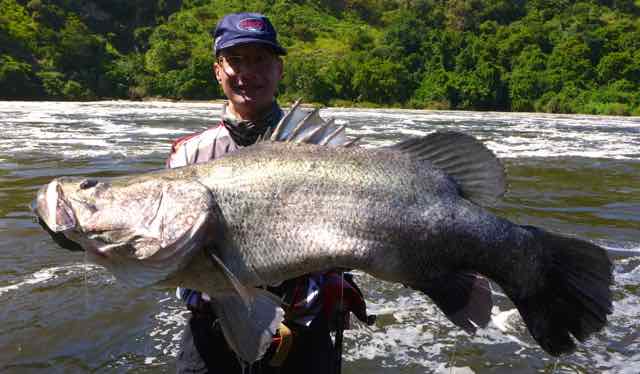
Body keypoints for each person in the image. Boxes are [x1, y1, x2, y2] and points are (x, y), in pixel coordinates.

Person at [166, 12, 370, 374]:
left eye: (260, 59)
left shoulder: (323, 150)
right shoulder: (187, 155)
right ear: (218, 71)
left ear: (279, 69)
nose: (248, 73)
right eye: (236, 60)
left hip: (303, 333)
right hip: (213, 332)